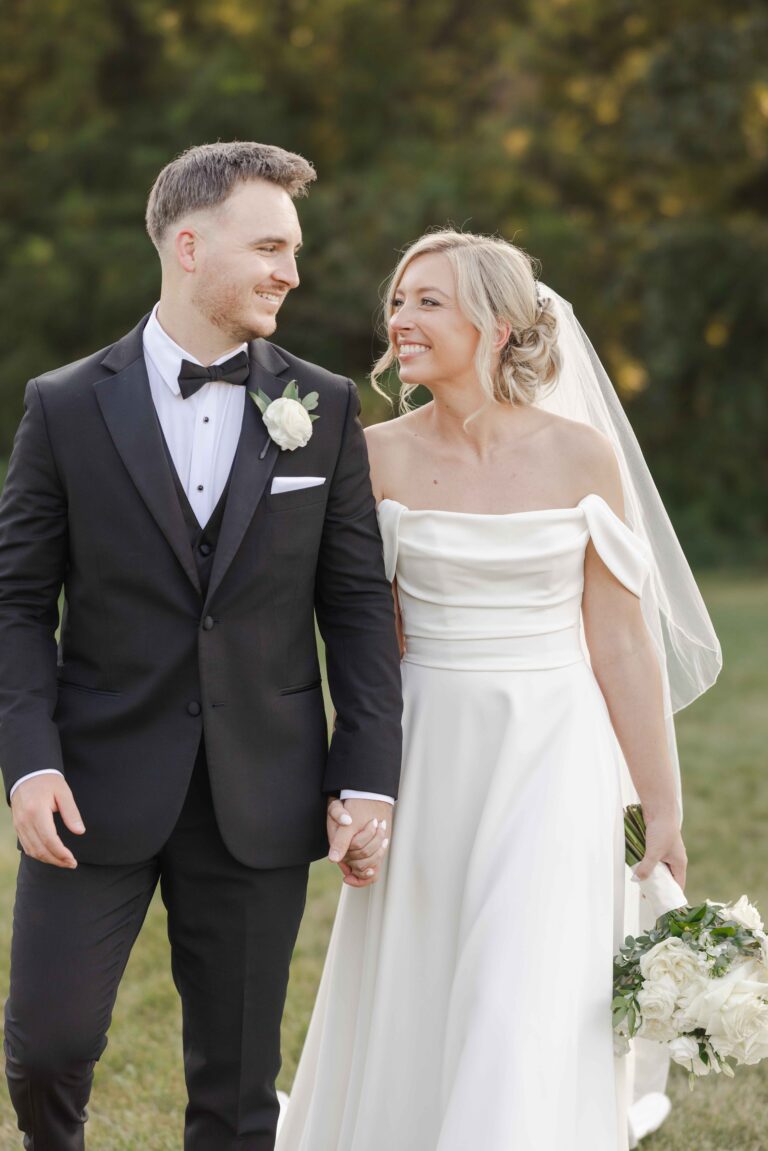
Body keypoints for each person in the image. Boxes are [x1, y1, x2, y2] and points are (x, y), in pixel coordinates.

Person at [276, 230, 721, 1151]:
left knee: (525, 993)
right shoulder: (374, 455)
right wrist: (360, 789)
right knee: (428, 982)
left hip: (557, 757)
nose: (400, 318)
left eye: (428, 301)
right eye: (398, 300)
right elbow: (372, 643)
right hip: (432, 749)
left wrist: (661, 807)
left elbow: (624, 646)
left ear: (502, 324)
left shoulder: (582, 457)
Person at [0, 141, 402, 1151]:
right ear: (188, 244)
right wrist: (29, 760)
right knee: (48, 1042)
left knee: (235, 1087)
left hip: (260, 789)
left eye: (294, 250)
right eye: (269, 244)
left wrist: (367, 774)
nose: (291, 272)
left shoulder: (327, 403)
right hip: (90, 777)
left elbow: (355, 606)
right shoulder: (63, 405)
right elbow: (14, 599)